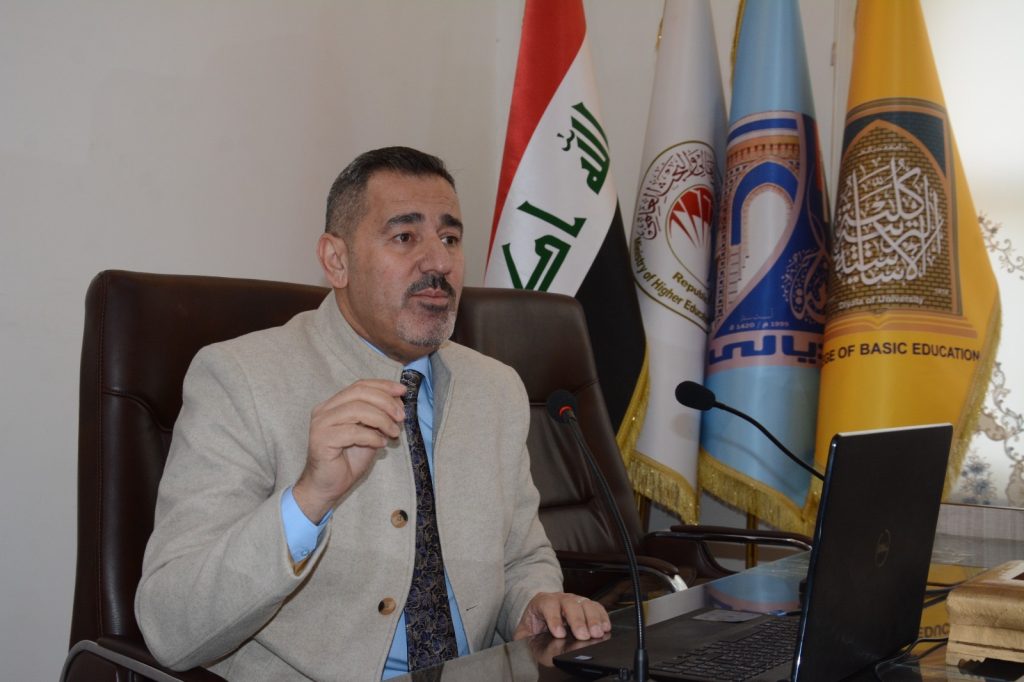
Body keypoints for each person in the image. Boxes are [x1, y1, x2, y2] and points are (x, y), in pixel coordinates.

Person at [135, 146, 611, 680]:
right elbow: (170, 627)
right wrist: (308, 500)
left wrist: (535, 601)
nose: (439, 263)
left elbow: (521, 558)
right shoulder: (240, 379)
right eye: (405, 236)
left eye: (450, 239)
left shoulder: (495, 388)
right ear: (336, 260)